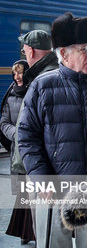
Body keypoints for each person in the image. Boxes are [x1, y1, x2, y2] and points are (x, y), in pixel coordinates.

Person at [18, 12, 87, 248]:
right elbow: (26, 136)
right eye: (84, 48)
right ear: (63, 53)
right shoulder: (42, 87)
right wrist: (41, 177)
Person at [0, 60, 35, 245]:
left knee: (30, 195)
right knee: (22, 194)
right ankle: (25, 232)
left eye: (20, 73)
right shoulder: (11, 94)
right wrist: (17, 134)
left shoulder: (33, 92)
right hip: (17, 151)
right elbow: (3, 122)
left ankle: (29, 233)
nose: (17, 77)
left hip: (31, 152)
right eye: (15, 74)